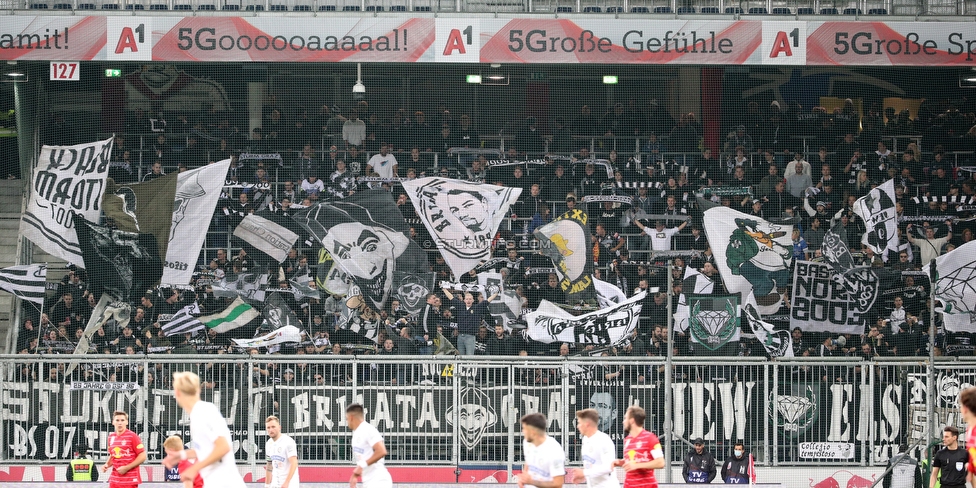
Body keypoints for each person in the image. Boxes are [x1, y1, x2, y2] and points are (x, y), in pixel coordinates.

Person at [162, 372, 246, 488]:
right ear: (198, 390)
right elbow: (207, 449)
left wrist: (194, 469)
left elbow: (223, 447)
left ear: (177, 393)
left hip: (224, 482)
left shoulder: (203, 412)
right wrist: (181, 455)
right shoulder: (198, 413)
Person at [442, 286, 498, 356]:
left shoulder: (477, 308)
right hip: (460, 336)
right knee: (461, 356)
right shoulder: (460, 306)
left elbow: (487, 301)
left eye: (470, 299)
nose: (468, 300)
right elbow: (451, 297)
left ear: (473, 300)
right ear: (464, 300)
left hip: (470, 336)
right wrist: (444, 289)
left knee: (469, 356)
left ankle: (469, 367)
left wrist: (496, 293)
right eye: (467, 299)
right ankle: (462, 367)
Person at [347, 403, 393, 488]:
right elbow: (364, 458)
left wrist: (362, 466)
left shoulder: (367, 429)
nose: (347, 422)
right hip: (368, 482)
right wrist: (355, 476)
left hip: (379, 481)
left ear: (351, 418)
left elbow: (381, 451)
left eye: (347, 419)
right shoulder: (356, 434)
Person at [617, 406, 664, 488]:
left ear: (631, 421)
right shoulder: (627, 440)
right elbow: (634, 460)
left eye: (625, 418)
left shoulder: (650, 438)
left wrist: (636, 466)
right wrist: (620, 462)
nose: (623, 422)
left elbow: (660, 462)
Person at [573, 409, 619, 488]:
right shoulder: (585, 439)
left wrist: (584, 473)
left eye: (579, 423)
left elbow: (609, 467)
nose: (578, 426)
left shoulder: (603, 440)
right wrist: (583, 476)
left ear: (587, 424)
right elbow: (591, 465)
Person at [517, 412, 565, 488]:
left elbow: (558, 484)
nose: (522, 431)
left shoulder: (554, 450)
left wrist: (532, 482)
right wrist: (523, 477)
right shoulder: (527, 442)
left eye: (524, 429)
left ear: (533, 432)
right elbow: (528, 461)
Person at [102, 410, 146, 488]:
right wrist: (107, 464)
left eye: (122, 420)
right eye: (117, 420)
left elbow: (143, 456)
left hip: (129, 480)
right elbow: (113, 455)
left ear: (127, 422)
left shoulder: (132, 436)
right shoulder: (111, 437)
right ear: (113, 422)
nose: (120, 423)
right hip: (114, 479)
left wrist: (126, 468)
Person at [265, 415, 301, 488]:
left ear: (279, 427)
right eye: (268, 427)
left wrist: (286, 482)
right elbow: (269, 464)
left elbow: (294, 463)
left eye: (273, 427)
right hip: (275, 484)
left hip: (289, 484)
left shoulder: (288, 442)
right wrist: (267, 485)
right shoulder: (268, 443)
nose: (270, 430)